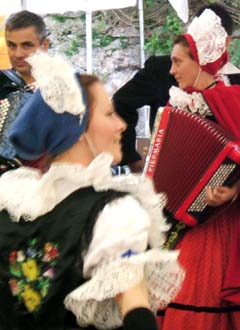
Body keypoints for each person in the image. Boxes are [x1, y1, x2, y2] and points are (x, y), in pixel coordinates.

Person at [0, 51, 184, 330]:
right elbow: (134, 303)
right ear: (79, 128)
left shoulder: (13, 198)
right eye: (109, 113)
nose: (121, 124)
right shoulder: (113, 213)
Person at [156, 8, 240, 330]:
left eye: (178, 61)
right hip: (180, 223)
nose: (172, 70)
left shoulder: (232, 98)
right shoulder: (178, 105)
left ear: (200, 60)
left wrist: (233, 190)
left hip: (220, 226)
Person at [113, 3, 240, 173]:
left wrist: (233, 189)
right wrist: (132, 158)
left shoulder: (236, 82)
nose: (173, 70)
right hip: (166, 175)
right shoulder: (160, 69)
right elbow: (122, 102)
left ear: (225, 41)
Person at [0, 10, 49, 159]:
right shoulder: (2, 81)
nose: (18, 54)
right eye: (12, 45)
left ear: (44, 45)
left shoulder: (63, 87)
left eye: (26, 45)